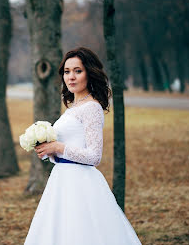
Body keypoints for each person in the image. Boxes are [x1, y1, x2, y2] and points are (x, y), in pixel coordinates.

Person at [24, 47, 141, 245]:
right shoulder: (73, 107)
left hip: (81, 183)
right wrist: (49, 152)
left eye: (78, 71)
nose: (71, 77)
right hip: (62, 180)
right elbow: (69, 147)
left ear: (89, 73)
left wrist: (58, 147)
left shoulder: (92, 108)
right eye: (67, 71)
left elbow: (94, 156)